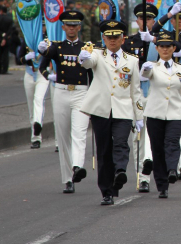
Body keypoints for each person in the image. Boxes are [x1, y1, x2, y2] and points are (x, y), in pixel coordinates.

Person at [78, 20, 144, 205]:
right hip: (101, 109)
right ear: (103, 39)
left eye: (116, 37)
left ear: (123, 39)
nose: (112, 41)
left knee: (122, 142)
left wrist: (139, 116)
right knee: (104, 149)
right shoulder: (98, 54)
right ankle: (107, 190)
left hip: (122, 109)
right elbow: (88, 63)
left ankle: (120, 171)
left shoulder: (132, 60)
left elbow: (135, 90)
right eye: (109, 37)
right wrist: (83, 57)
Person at [38, 11, 92, 193]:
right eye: (68, 25)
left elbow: (93, 71)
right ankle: (68, 178)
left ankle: (77, 167)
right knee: (63, 136)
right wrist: (49, 75)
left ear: (79, 27)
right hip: (61, 92)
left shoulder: (87, 47)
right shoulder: (57, 47)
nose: (71, 28)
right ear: (63, 27)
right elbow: (42, 64)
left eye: (74, 25)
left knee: (79, 132)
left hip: (81, 92)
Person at [140, 30, 181, 198]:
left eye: (168, 47)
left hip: (176, 112)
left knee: (172, 142)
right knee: (157, 149)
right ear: (157, 48)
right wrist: (144, 69)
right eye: (161, 46)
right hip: (155, 113)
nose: (165, 50)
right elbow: (145, 76)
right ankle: (162, 185)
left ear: (173, 48)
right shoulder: (152, 67)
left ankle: (172, 169)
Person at [150, 2, 181, 181]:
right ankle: (172, 164)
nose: (179, 22)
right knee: (170, 129)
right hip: (166, 79)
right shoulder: (166, 36)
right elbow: (154, 30)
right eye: (176, 19)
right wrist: (168, 15)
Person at [122, 3, 157, 193]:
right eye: (142, 19)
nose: (145, 22)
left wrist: (153, 40)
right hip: (135, 93)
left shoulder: (160, 41)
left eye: (149, 19)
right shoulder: (128, 43)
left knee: (152, 135)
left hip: (154, 92)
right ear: (137, 21)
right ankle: (141, 177)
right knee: (138, 136)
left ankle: (150, 170)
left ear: (154, 21)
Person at [18, 36, 50, 149]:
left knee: (39, 99)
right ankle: (35, 139)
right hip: (29, 74)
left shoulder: (47, 40)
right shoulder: (27, 38)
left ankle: (38, 125)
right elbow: (19, 59)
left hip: (42, 74)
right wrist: (26, 57)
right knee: (31, 106)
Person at [0, 5, 14, 74]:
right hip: (7, 39)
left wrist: (2, 36)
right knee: (5, 54)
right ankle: (5, 69)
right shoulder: (9, 19)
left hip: (0, 38)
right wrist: (5, 37)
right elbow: (11, 30)